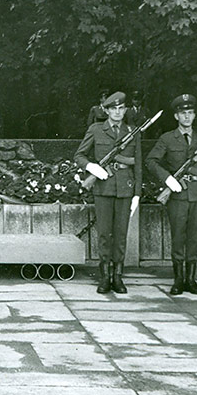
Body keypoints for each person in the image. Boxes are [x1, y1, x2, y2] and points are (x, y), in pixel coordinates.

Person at [147, 94, 197, 295]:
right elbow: (151, 161)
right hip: (177, 196)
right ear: (176, 116)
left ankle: (191, 279)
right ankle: (178, 279)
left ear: (194, 116)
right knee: (178, 238)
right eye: (183, 113)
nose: (187, 117)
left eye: (190, 113)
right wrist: (168, 179)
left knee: (194, 238)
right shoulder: (167, 138)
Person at [75, 91, 141, 295]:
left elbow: (137, 164)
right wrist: (92, 168)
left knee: (121, 234)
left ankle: (118, 276)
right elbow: (79, 155)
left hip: (125, 188)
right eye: (114, 108)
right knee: (104, 234)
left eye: (122, 108)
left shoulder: (132, 131)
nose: (118, 112)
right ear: (106, 110)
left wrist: (137, 193)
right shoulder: (96, 129)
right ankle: (105, 276)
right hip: (103, 189)